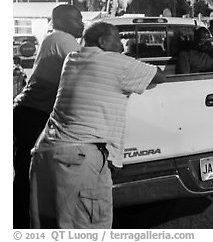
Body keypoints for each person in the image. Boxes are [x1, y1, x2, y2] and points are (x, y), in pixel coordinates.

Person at [28, 22, 166, 228]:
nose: (121, 44)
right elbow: (159, 76)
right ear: (102, 41)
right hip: (79, 160)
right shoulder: (117, 62)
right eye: (117, 39)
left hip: (45, 154)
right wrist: (128, 56)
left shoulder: (72, 59)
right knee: (86, 227)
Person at [13, 4, 84, 229]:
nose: (81, 23)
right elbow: (88, 66)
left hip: (32, 113)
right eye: (77, 18)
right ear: (61, 20)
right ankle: (22, 224)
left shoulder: (54, 39)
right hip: (34, 114)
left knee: (31, 172)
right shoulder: (62, 39)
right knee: (29, 174)